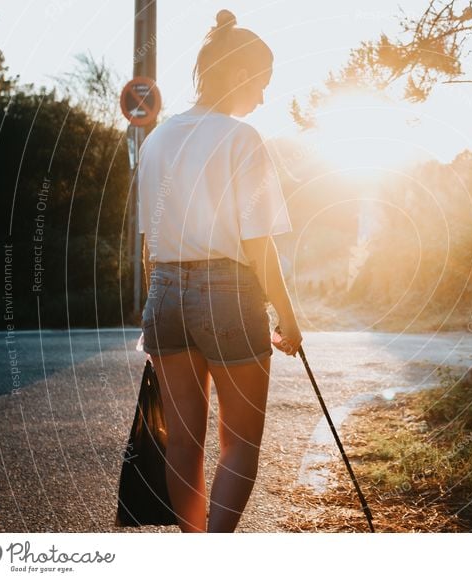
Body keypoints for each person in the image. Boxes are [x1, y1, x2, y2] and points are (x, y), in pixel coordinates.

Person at [136, 9, 303, 533]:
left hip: (163, 291)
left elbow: (149, 246)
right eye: (262, 83)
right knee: (241, 443)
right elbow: (258, 244)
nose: (262, 97)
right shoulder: (242, 138)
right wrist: (288, 315)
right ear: (238, 74)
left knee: (184, 441)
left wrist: (162, 303)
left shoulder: (157, 139)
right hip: (228, 292)